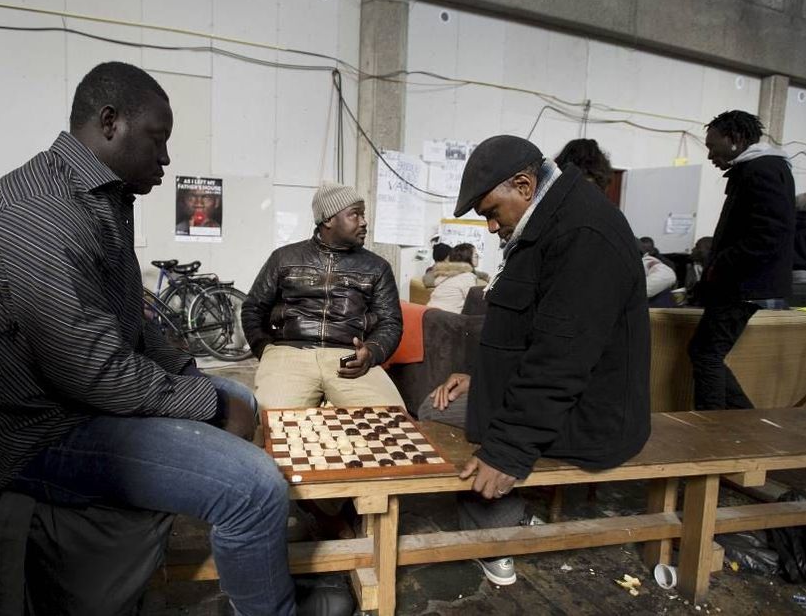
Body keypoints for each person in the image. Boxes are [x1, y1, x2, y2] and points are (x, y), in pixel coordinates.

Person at [0, 62, 307, 616]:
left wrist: (193, 381)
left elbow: (132, 321)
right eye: (158, 139)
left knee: (243, 399)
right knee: (254, 487)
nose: (167, 158)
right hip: (29, 434)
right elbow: (88, 366)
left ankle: (248, 563)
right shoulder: (39, 211)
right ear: (110, 123)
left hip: (64, 405)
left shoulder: (97, 197)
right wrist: (204, 405)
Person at [417, 135, 651, 586]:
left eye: (490, 212)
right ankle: (501, 512)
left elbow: (560, 360)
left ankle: (495, 532)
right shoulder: (553, 219)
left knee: (449, 421)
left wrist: (506, 453)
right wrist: (479, 377)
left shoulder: (583, 233)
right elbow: (533, 329)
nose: (489, 227)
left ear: (524, 185)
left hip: (591, 416)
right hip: (566, 399)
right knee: (440, 403)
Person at [242, 181, 404, 409]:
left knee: (391, 419)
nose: (364, 222)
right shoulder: (284, 258)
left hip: (349, 356)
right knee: (272, 421)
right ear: (328, 219)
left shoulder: (377, 267)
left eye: (363, 215)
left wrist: (372, 353)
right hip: (289, 354)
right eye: (355, 215)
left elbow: (390, 322)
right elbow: (253, 308)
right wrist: (265, 349)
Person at [689, 110, 795, 410]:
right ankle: (743, 423)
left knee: (705, 355)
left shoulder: (760, 170)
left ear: (734, 139)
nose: (710, 155)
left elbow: (768, 234)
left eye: (712, 146)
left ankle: (712, 430)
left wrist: (720, 265)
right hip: (743, 283)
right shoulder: (761, 168)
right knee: (705, 353)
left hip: (742, 285)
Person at [426, 243, 487, 313]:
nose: (477, 257)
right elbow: (474, 301)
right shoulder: (467, 276)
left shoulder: (446, 274)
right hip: (446, 317)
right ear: (467, 257)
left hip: (429, 313)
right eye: (475, 255)